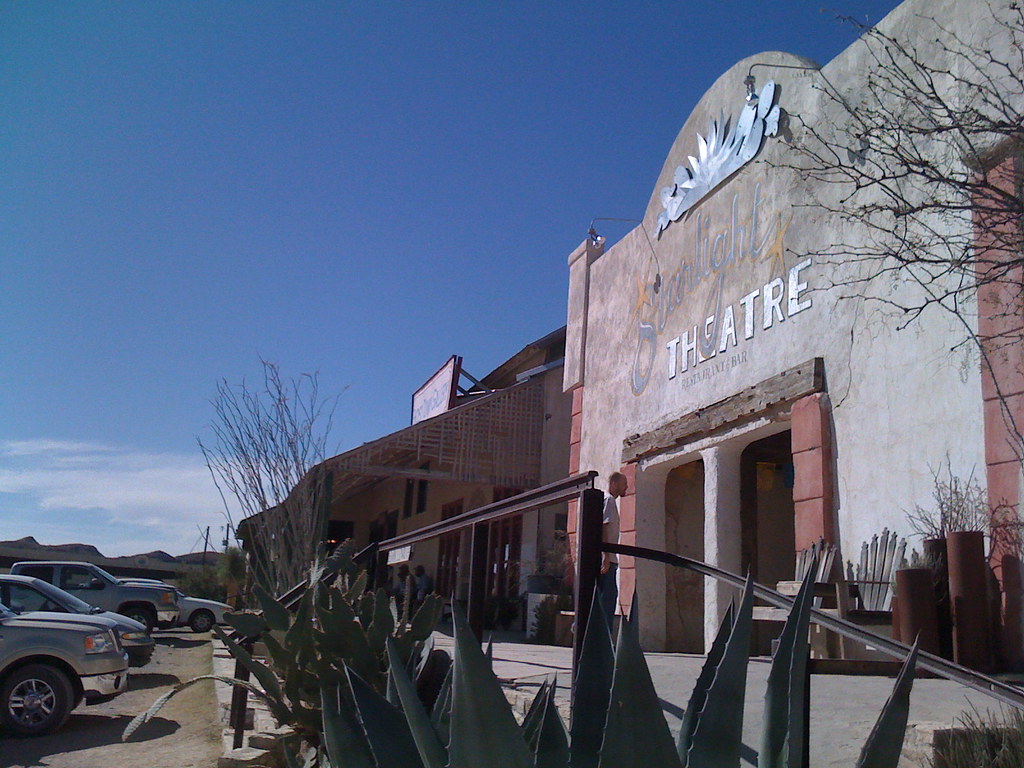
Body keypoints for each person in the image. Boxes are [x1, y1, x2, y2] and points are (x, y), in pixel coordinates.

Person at [599, 471, 628, 630]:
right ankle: (604, 634)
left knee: (604, 595)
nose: (627, 487)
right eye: (624, 484)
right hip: (607, 558)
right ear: (615, 484)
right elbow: (604, 526)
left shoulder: (606, 500)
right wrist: (606, 555)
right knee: (609, 597)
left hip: (607, 556)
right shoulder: (609, 500)